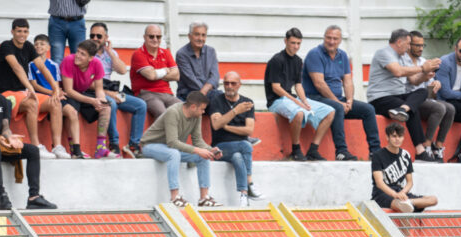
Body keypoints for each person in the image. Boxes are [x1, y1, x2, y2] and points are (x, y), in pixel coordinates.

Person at [0, 67, 57, 211]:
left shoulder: (1, 100)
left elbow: (5, 127)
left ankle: (34, 197)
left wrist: (9, 137)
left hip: (0, 142)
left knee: (33, 150)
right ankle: (2, 196)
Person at [304, 25, 381, 161]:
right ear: (324, 37)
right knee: (338, 107)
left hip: (336, 99)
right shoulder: (315, 54)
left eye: (335, 38)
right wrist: (338, 102)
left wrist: (349, 100)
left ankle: (375, 152)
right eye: (329, 38)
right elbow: (319, 84)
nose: (331, 41)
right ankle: (341, 151)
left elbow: (347, 81)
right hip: (314, 98)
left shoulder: (342, 55)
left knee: (368, 109)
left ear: (340, 40)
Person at [367, 29, 441, 162]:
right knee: (413, 109)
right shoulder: (384, 53)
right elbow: (398, 72)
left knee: (422, 92)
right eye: (408, 44)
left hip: (398, 97)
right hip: (380, 98)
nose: (409, 47)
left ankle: (403, 109)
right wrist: (422, 68)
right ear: (399, 42)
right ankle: (420, 152)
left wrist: (426, 74)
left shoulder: (402, 57)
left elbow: (413, 80)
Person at [263, 27, 334, 161]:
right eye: (293, 43)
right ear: (285, 41)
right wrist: (297, 102)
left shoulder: (298, 61)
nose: (296, 46)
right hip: (276, 101)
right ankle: (296, 150)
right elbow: (276, 88)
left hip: (291, 99)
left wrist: (304, 101)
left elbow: (298, 85)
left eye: (298, 43)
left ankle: (313, 149)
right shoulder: (277, 60)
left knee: (330, 111)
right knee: (298, 113)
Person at [141, 92, 222, 208]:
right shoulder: (173, 112)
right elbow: (172, 142)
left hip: (170, 148)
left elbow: (197, 140)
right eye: (202, 109)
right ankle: (175, 198)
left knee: (203, 156)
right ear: (193, 107)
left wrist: (210, 150)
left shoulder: (196, 116)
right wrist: (198, 150)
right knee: (174, 154)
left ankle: (204, 198)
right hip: (151, 145)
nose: (204, 112)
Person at [0, 19, 61, 159]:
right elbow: (17, 67)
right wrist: (30, 87)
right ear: (12, 32)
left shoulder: (28, 47)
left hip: (21, 92)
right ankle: (36, 146)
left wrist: (56, 88)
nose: (22, 34)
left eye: (25, 31)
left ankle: (57, 146)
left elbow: (42, 67)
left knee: (56, 103)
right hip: (5, 94)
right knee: (32, 103)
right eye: (19, 31)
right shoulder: (6, 45)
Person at [88, 22, 147, 158]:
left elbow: (121, 70)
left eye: (99, 36)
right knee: (111, 103)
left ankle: (133, 144)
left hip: (110, 87)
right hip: (95, 90)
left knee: (140, 105)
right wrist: (108, 93)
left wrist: (110, 52)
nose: (95, 38)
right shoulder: (87, 53)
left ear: (106, 37)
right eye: (92, 36)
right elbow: (87, 82)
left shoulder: (110, 53)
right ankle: (114, 144)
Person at [209, 72, 261, 206]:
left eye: (233, 83)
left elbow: (249, 130)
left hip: (238, 148)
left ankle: (244, 194)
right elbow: (216, 125)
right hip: (220, 147)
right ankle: (250, 184)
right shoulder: (216, 101)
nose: (229, 86)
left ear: (239, 84)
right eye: (226, 83)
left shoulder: (247, 102)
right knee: (246, 145)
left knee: (238, 156)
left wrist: (225, 126)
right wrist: (235, 111)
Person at [29, 33, 80, 159]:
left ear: (48, 47)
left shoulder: (53, 65)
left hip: (54, 95)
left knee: (72, 112)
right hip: (41, 97)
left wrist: (57, 93)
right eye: (36, 44)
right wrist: (53, 93)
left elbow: (56, 84)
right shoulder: (30, 64)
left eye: (42, 44)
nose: (38, 46)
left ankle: (74, 149)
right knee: (56, 103)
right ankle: (55, 145)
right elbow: (34, 86)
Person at [61, 38, 114, 158]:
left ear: (91, 58)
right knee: (72, 110)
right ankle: (74, 149)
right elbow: (69, 91)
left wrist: (101, 102)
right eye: (78, 52)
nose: (77, 56)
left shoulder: (97, 64)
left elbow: (99, 89)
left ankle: (101, 148)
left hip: (82, 93)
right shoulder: (68, 60)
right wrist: (92, 100)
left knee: (107, 107)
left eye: (82, 54)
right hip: (67, 94)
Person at [406, 31, 455, 162]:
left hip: (424, 99)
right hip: (409, 100)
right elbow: (412, 82)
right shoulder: (404, 60)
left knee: (450, 108)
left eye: (423, 45)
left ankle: (437, 147)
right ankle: (426, 146)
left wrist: (435, 85)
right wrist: (423, 75)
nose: (421, 48)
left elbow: (430, 95)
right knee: (439, 108)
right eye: (417, 45)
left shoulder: (424, 61)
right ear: (408, 45)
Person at [371, 121, 437, 213]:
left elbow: (410, 182)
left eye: (400, 136)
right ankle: (407, 204)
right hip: (382, 194)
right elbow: (379, 183)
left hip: (401, 192)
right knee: (399, 204)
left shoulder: (405, 155)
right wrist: (395, 194)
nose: (397, 139)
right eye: (394, 136)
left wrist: (402, 193)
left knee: (433, 200)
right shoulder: (377, 155)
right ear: (387, 137)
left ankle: (409, 202)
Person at [130, 24, 180, 121]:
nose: (155, 39)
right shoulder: (138, 54)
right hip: (147, 93)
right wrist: (165, 70)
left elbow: (177, 75)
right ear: (144, 37)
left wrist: (157, 74)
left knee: (184, 111)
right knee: (163, 114)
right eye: (151, 36)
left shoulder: (166, 52)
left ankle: (176, 136)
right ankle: (161, 136)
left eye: (158, 36)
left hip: (167, 93)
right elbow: (151, 75)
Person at [176, 21, 219, 100]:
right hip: (188, 94)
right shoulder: (182, 54)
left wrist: (205, 90)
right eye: (197, 34)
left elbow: (215, 77)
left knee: (223, 98)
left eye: (203, 35)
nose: (200, 38)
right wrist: (204, 93)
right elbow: (190, 80)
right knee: (217, 99)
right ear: (189, 36)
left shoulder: (211, 51)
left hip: (210, 92)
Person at [46, 0, 86, 65]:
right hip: (56, 21)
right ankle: (57, 75)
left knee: (79, 56)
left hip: (77, 21)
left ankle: (77, 75)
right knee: (56, 59)